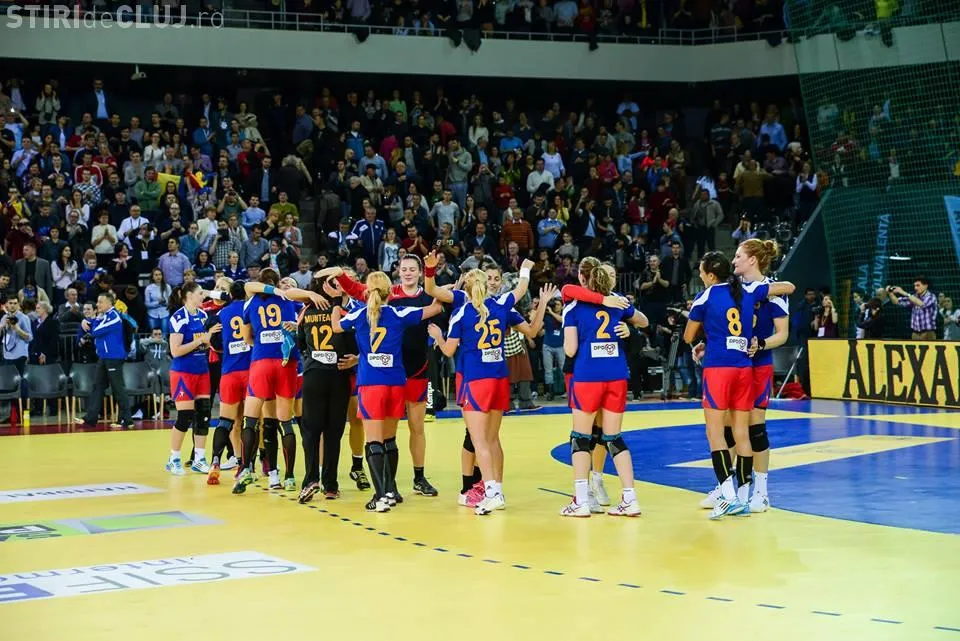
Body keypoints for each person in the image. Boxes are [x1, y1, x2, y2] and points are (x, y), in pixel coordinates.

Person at [683, 251, 794, 519]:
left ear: (711, 275)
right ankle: (742, 496)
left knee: (718, 432)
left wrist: (707, 333)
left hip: (723, 367)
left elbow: (687, 335)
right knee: (740, 431)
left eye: (739, 256)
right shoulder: (749, 291)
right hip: (744, 365)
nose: (735, 261)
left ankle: (732, 495)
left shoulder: (710, 295)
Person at [324, 255, 441, 499]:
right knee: (390, 435)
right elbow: (357, 290)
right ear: (397, 272)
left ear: (419, 272)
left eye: (412, 269)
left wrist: (338, 279)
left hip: (412, 371)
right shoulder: (392, 300)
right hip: (393, 375)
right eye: (404, 268)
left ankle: (411, 481)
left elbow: (347, 314)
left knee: (413, 428)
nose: (408, 272)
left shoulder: (424, 294)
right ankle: (389, 486)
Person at [427, 260, 533, 516]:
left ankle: (492, 493)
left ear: (466, 287)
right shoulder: (501, 304)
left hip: (475, 380)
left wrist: (438, 336)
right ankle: (498, 490)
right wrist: (525, 269)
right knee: (493, 439)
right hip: (499, 379)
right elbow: (521, 289)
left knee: (479, 441)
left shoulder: (461, 312)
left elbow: (449, 350)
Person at [560, 257, 649, 517]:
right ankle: (630, 498)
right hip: (616, 375)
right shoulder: (618, 302)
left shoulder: (573, 307)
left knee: (581, 438)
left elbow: (570, 349)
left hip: (588, 376)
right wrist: (626, 326)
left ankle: (581, 501)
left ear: (584, 279)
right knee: (613, 438)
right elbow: (643, 320)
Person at [232, 270, 321, 494]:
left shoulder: (251, 302)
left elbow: (247, 338)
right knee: (285, 422)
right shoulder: (290, 300)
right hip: (286, 363)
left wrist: (264, 342)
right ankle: (289, 477)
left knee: (251, 420)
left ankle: (246, 468)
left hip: (261, 361)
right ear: (277, 282)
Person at [297, 274, 355, 502]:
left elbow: (301, 343)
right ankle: (330, 485)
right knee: (334, 432)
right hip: (339, 374)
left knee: (311, 431)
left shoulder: (306, 311)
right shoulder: (343, 312)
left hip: (313, 374)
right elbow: (353, 342)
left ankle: (310, 479)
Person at [165, 282, 220, 475]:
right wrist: (200, 340)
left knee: (204, 414)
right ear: (189, 295)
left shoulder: (203, 315)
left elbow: (204, 345)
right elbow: (175, 351)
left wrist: (210, 340)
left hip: (202, 370)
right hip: (183, 372)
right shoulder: (178, 318)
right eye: (200, 293)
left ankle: (199, 458)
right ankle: (174, 459)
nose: (203, 296)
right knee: (184, 416)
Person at [206, 281, 249, 485]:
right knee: (251, 422)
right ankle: (246, 465)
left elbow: (215, 345)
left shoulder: (222, 314)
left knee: (226, 421)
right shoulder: (250, 308)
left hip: (229, 372)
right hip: (250, 371)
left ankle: (215, 461)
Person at [72, 291, 133, 429]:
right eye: (97, 301)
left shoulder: (114, 316)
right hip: (104, 356)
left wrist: (88, 322)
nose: (98, 304)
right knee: (97, 386)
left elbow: (96, 331)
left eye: (100, 302)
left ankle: (126, 419)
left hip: (113, 357)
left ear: (109, 303)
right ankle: (90, 418)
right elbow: (95, 324)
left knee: (118, 388)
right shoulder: (105, 316)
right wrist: (86, 320)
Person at [1, 295, 33, 424]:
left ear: (19, 304)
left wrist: (17, 329)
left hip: (20, 355)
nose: (13, 305)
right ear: (7, 305)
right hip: (7, 355)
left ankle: (22, 414)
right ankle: (9, 414)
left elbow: (30, 337)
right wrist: (2, 326)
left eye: (15, 303)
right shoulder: (4, 318)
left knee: (20, 385)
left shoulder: (24, 318)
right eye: (10, 303)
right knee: (7, 386)